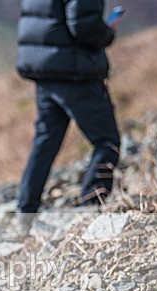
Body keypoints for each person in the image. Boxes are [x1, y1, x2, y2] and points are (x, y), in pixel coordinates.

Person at [15, 0, 122, 229]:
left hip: (45, 71)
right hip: (75, 73)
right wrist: (108, 33)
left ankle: (25, 212)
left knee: (45, 142)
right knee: (107, 141)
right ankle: (89, 210)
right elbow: (84, 26)